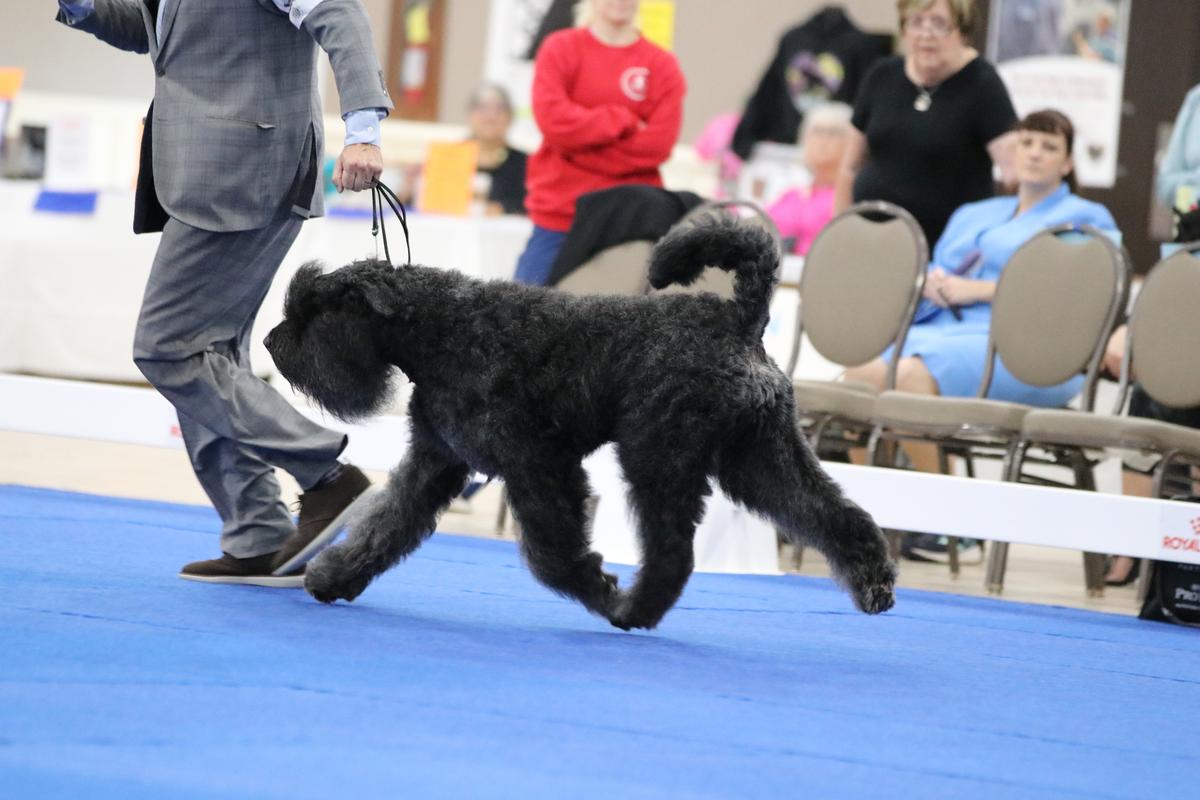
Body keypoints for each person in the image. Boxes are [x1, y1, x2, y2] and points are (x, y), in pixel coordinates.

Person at [54, 0, 389, 586]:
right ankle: (258, 532)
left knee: (169, 349)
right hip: (211, 168)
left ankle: (328, 476)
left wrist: (363, 131)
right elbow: (158, 35)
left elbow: (340, 15)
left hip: (243, 168)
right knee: (209, 355)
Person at [843, 109, 1116, 560]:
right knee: (858, 375)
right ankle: (871, 522)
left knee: (910, 376)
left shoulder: (1085, 216)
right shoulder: (977, 212)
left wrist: (981, 290)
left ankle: (952, 524)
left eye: (1049, 147)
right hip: (947, 331)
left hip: (1030, 348)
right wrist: (931, 281)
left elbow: (1079, 290)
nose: (1034, 154)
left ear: (1068, 163)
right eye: (1027, 142)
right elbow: (937, 266)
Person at [513, 0, 686, 286]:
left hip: (629, 224)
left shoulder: (661, 65)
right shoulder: (560, 48)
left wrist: (575, 148)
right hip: (561, 216)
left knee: (623, 326)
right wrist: (621, 120)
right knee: (519, 320)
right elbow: (554, 122)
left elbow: (657, 146)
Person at [835, 0, 1018, 246]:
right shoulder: (881, 75)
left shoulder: (982, 84)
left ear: (962, 31)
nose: (926, 34)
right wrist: (839, 233)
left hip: (946, 252)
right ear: (903, 29)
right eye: (916, 22)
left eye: (940, 24)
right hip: (870, 239)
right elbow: (849, 168)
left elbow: (1014, 175)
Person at [765, 102, 852, 255]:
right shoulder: (790, 194)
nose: (823, 140)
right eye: (817, 131)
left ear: (850, 143)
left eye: (833, 133)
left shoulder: (847, 198)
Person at [466, 83, 528, 216]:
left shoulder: (527, 163)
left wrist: (503, 209)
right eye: (482, 108)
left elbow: (531, 205)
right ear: (469, 115)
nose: (490, 117)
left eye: (499, 109)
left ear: (510, 117)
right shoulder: (448, 157)